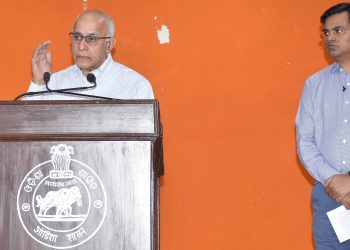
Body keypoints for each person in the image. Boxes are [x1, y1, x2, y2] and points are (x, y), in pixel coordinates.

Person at [296, 2, 350, 249]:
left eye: (338, 30)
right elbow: (305, 141)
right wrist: (334, 180)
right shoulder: (314, 85)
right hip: (329, 197)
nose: (330, 38)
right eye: (326, 33)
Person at [26, 9, 154, 100]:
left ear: (109, 44)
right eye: (77, 37)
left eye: (91, 39)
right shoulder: (53, 84)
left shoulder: (136, 85)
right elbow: (27, 129)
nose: (81, 46)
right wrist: (39, 83)